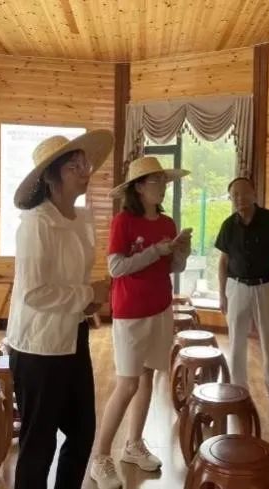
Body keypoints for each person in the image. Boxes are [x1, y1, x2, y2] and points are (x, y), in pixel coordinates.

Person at [7, 130, 114, 489]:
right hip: (37, 347)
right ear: (50, 178)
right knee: (39, 443)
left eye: (85, 164)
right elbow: (34, 293)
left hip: (72, 336)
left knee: (82, 432)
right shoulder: (36, 224)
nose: (85, 171)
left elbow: (70, 282)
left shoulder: (81, 218)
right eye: (73, 166)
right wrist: (89, 293)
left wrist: (90, 299)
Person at [90, 156, 191, 489]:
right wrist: (155, 252)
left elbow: (173, 267)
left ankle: (133, 444)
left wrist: (181, 251)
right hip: (130, 312)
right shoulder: (123, 222)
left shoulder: (168, 223)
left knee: (147, 377)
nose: (162, 186)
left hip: (160, 308)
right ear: (138, 188)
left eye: (163, 181)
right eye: (155, 181)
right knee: (127, 384)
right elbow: (116, 268)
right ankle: (100, 456)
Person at [215, 177, 269, 417]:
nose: (239, 198)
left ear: (254, 193)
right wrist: (222, 294)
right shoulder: (228, 225)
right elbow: (223, 261)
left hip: (266, 286)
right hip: (236, 287)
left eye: (244, 193)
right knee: (236, 343)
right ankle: (238, 393)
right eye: (234, 195)